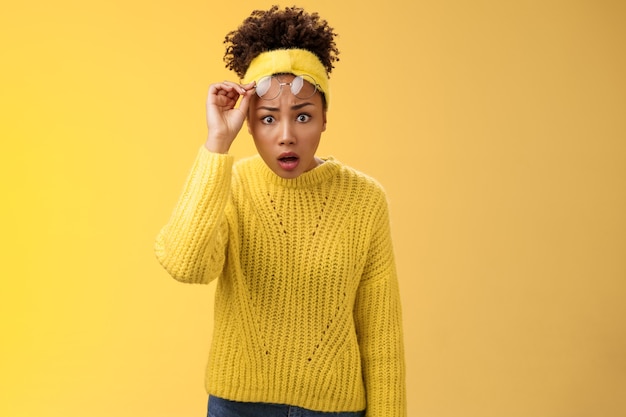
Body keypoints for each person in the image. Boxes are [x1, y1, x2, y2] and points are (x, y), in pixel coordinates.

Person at [155, 5, 406, 417]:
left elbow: (381, 334)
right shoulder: (231, 183)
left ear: (325, 118)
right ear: (249, 124)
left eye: (303, 116)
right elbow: (187, 264)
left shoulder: (365, 200)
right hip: (238, 406)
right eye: (268, 118)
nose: (286, 136)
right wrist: (217, 143)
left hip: (334, 410)